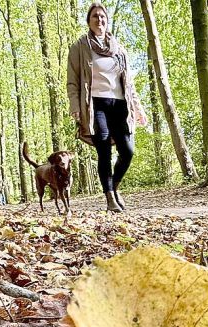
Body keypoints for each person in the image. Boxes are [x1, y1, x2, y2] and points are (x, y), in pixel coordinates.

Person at [67, 2, 146, 213]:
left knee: (128, 151)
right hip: (95, 104)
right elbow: (72, 81)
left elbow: (128, 83)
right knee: (104, 152)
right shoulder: (79, 47)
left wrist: (138, 108)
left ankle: (115, 186)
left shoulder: (118, 48)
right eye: (95, 16)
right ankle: (109, 197)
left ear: (107, 21)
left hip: (120, 104)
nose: (99, 20)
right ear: (89, 21)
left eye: (103, 17)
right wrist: (75, 105)